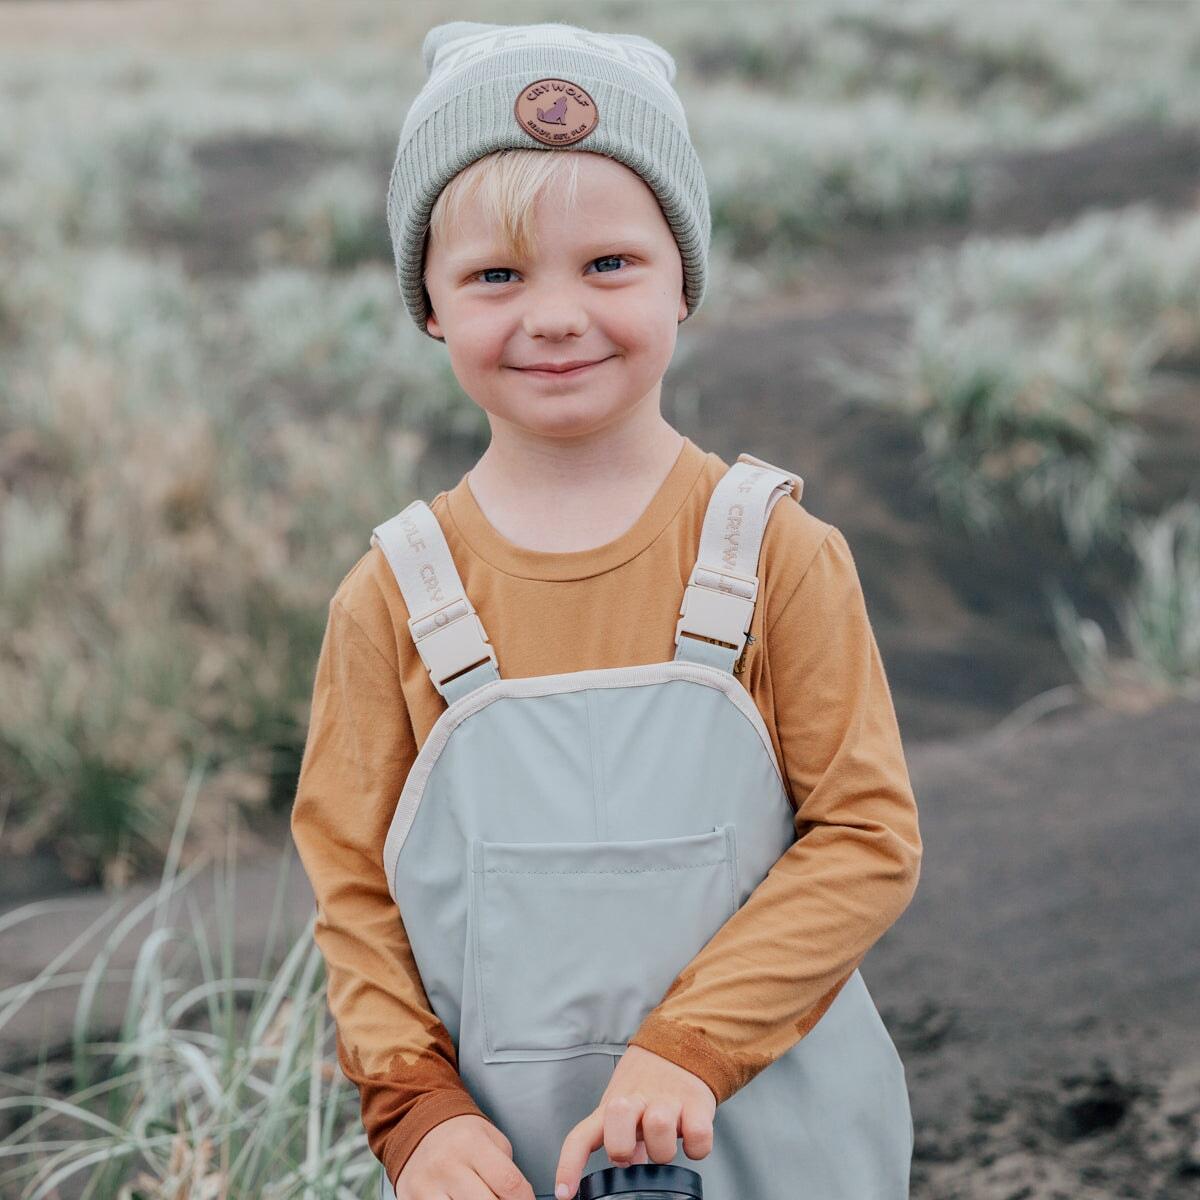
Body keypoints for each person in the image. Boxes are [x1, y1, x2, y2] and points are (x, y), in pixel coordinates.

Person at [289, 19, 923, 1200]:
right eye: (495, 276)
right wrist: (415, 1110)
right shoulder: (392, 596)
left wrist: (691, 1048)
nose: (554, 315)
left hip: (779, 1144)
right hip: (503, 1159)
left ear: (685, 279)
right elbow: (355, 891)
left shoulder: (778, 554)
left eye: (610, 264)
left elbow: (865, 839)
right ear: (429, 305)